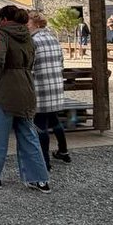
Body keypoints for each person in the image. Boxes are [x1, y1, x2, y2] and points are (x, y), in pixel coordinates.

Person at [0, 5, 50, 192]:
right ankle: (40, 179)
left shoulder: (3, 33)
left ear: (3, 19)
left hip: (5, 89)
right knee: (28, 134)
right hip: (26, 86)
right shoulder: (29, 36)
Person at [28, 12, 70, 167]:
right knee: (54, 119)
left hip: (40, 86)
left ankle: (44, 160)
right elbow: (61, 62)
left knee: (40, 123)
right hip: (55, 85)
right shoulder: (53, 38)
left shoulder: (32, 41)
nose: (27, 25)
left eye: (29, 22)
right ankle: (63, 151)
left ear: (37, 24)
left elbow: (30, 66)